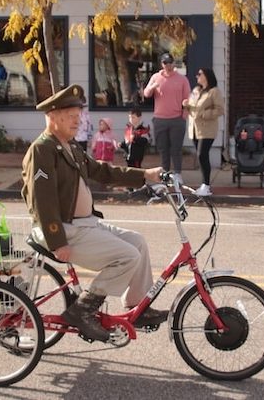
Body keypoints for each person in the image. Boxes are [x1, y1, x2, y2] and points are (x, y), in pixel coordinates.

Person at [21, 84, 169, 342]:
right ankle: (83, 309)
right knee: (127, 256)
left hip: (85, 224)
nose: (77, 122)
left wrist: (144, 175)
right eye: (71, 117)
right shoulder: (42, 149)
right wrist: (57, 241)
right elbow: (41, 199)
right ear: (53, 117)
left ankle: (138, 307)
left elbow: (102, 171)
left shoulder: (70, 147)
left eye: (79, 117)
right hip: (65, 230)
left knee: (138, 243)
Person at [143, 53, 191, 183]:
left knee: (176, 149)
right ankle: (165, 175)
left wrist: (184, 116)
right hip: (160, 119)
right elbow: (146, 94)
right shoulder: (155, 77)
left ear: (173, 63)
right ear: (161, 64)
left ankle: (178, 174)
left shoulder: (182, 79)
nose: (168, 65)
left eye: (170, 62)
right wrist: (153, 86)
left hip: (177, 119)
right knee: (163, 149)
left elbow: (188, 98)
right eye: (165, 63)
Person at [183, 69, 225, 196]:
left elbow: (220, 110)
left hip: (207, 129)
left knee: (202, 154)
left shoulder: (214, 92)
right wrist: (186, 105)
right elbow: (192, 105)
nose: (197, 76)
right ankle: (203, 184)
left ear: (207, 76)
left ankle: (206, 185)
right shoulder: (196, 91)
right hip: (195, 129)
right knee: (201, 156)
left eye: (200, 74)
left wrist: (205, 114)